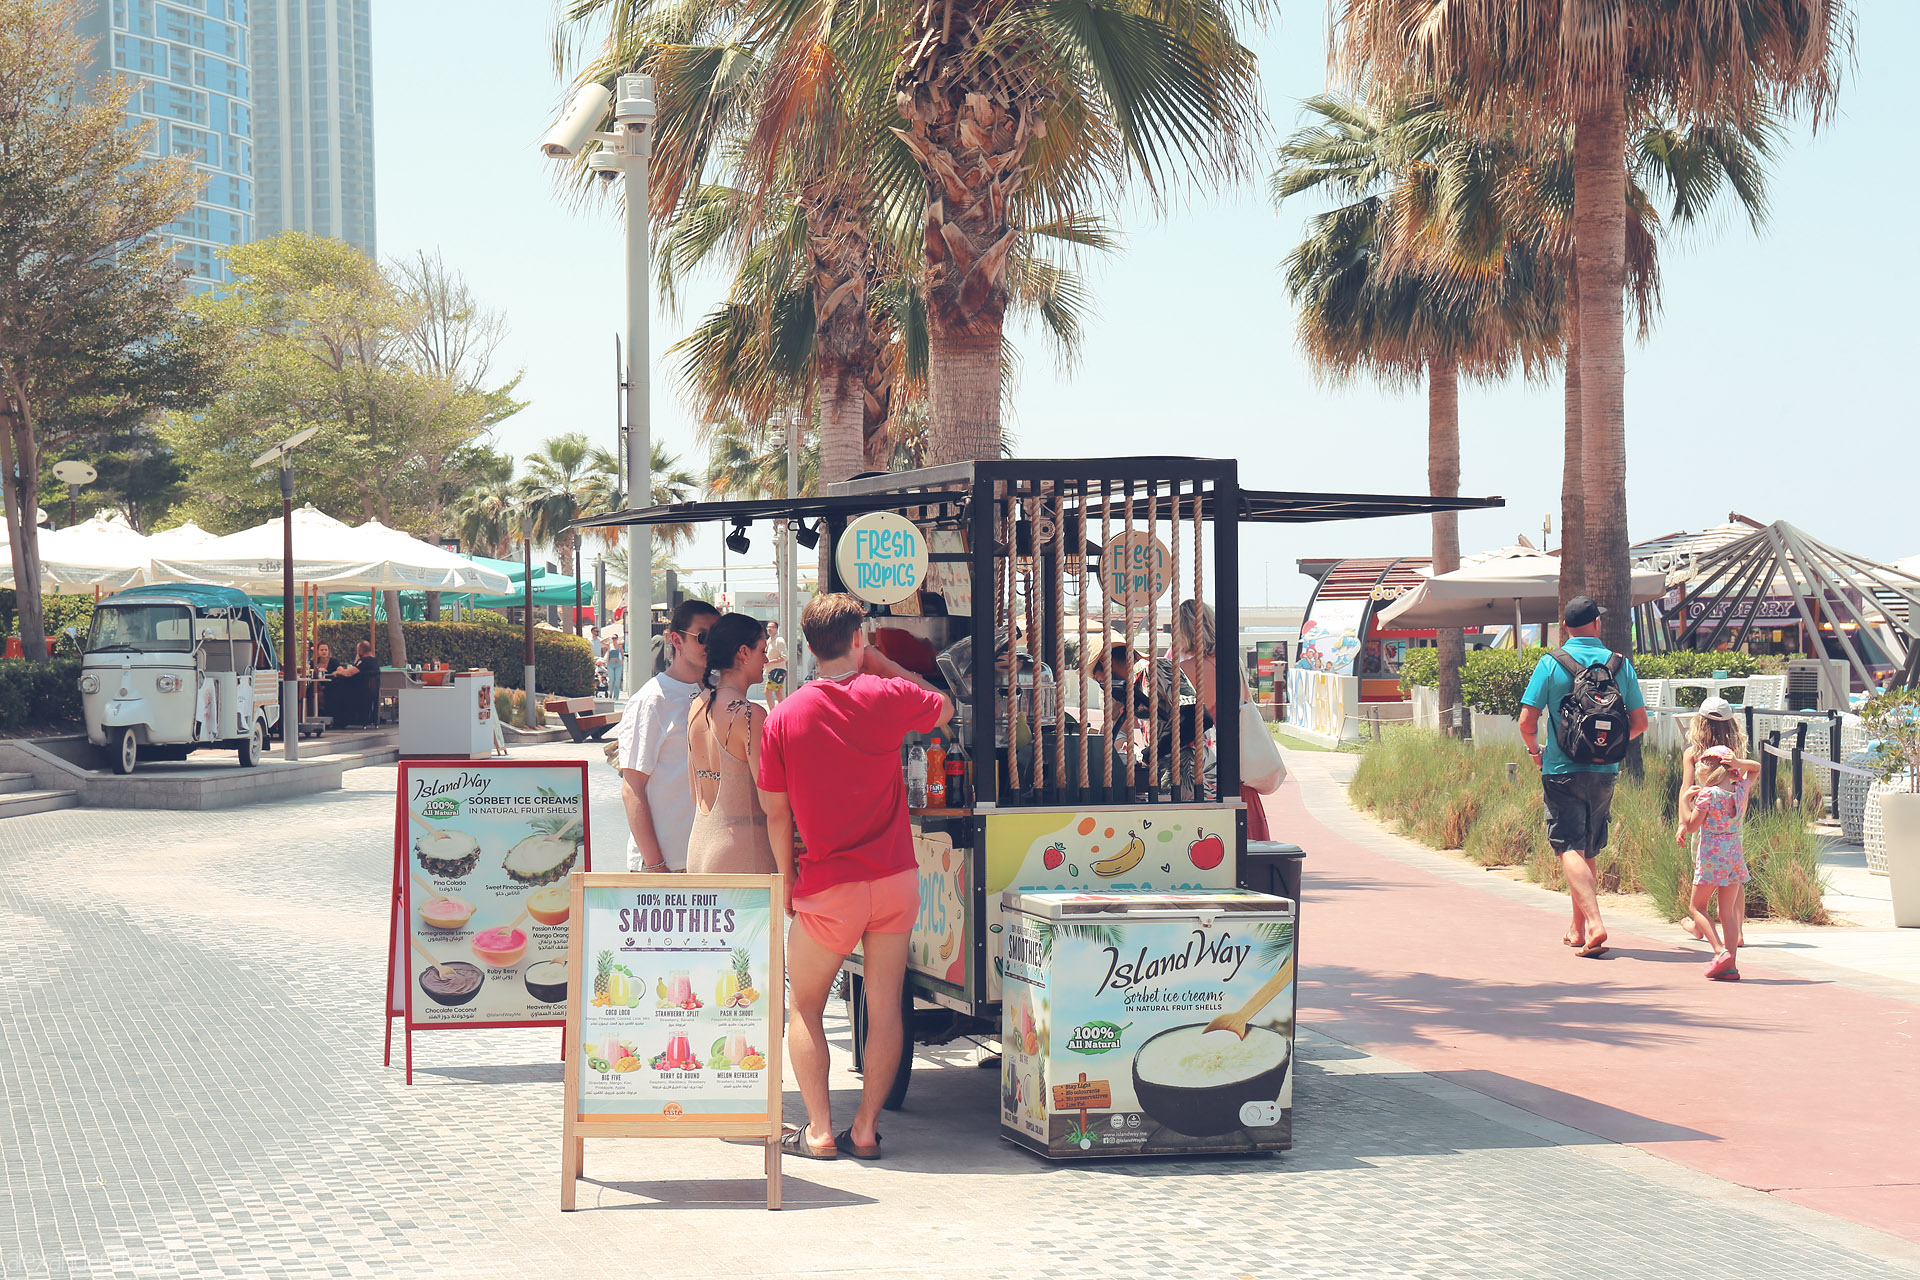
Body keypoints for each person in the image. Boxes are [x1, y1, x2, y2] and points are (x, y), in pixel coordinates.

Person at [758, 593, 951, 1161]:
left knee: (806, 1006)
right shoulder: (885, 694)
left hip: (828, 887)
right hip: (894, 880)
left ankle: (819, 1130)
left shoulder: (785, 715)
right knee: (886, 1006)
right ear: (858, 640)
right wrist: (885, 666)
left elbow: (776, 812)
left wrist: (788, 880)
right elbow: (942, 707)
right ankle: (865, 1129)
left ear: (810, 647)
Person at [1517, 596, 1648, 958]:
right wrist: (1608, 747)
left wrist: (1536, 753)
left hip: (1561, 768)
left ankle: (1594, 923)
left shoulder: (1550, 663)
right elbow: (1640, 724)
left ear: (1565, 629)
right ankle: (1577, 929)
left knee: (1566, 846)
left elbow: (1527, 722)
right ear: (1596, 624)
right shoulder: (1619, 665)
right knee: (1587, 847)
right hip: (1604, 771)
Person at [616, 600, 718, 872]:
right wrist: (655, 864)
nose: (711, 645)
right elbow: (632, 787)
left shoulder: (716, 696)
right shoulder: (652, 701)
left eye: (718, 637)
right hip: (667, 865)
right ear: (677, 640)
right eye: (703, 636)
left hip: (705, 861)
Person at [686, 613, 777, 875]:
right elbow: (770, 804)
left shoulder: (696, 706)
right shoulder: (749, 715)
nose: (766, 660)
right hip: (743, 854)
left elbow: (696, 793)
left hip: (699, 848)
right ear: (744, 652)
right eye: (763, 651)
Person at [1172, 600, 1269, 841]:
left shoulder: (1184, 670)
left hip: (1202, 773)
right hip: (1238, 768)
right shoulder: (1232, 663)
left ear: (1183, 631)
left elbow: (1179, 726)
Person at [1676, 746, 1762, 980]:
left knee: (1697, 907)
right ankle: (1730, 965)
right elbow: (1756, 768)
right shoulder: (1740, 789)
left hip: (1712, 857)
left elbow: (1692, 826)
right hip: (1734, 855)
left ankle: (1719, 950)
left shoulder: (1707, 795)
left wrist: (1685, 801)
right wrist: (1739, 763)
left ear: (1709, 773)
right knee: (1728, 913)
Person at [1679, 696, 1749, 939]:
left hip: (1704, 825)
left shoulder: (1694, 753)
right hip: (1732, 825)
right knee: (1733, 879)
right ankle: (1736, 931)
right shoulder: (1734, 756)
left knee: (1703, 875)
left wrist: (1682, 822)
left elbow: (1687, 789)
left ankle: (1700, 926)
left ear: (1699, 723)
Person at [328, 640, 381, 728]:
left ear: (360, 651)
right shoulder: (374, 661)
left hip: (359, 691)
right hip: (370, 691)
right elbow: (355, 667)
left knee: (335, 690)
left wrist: (337, 672)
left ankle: (339, 720)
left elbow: (348, 673)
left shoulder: (364, 661)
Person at [763, 621, 788, 706]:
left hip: (778, 670)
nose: (769, 629)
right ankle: (783, 714)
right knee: (779, 694)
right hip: (772, 670)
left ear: (776, 629)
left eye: (772, 627)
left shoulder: (779, 640)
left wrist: (770, 662)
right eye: (767, 627)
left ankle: (772, 713)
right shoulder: (769, 640)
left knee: (767, 692)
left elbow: (785, 657)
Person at [604, 633, 625, 701]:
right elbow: (601, 642)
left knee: (617, 680)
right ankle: (610, 693)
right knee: (611, 679)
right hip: (610, 663)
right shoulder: (609, 645)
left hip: (617, 664)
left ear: (617, 639)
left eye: (615, 638)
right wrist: (608, 637)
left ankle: (616, 696)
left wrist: (621, 661)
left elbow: (622, 655)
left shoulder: (619, 646)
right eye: (612, 638)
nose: (613, 639)